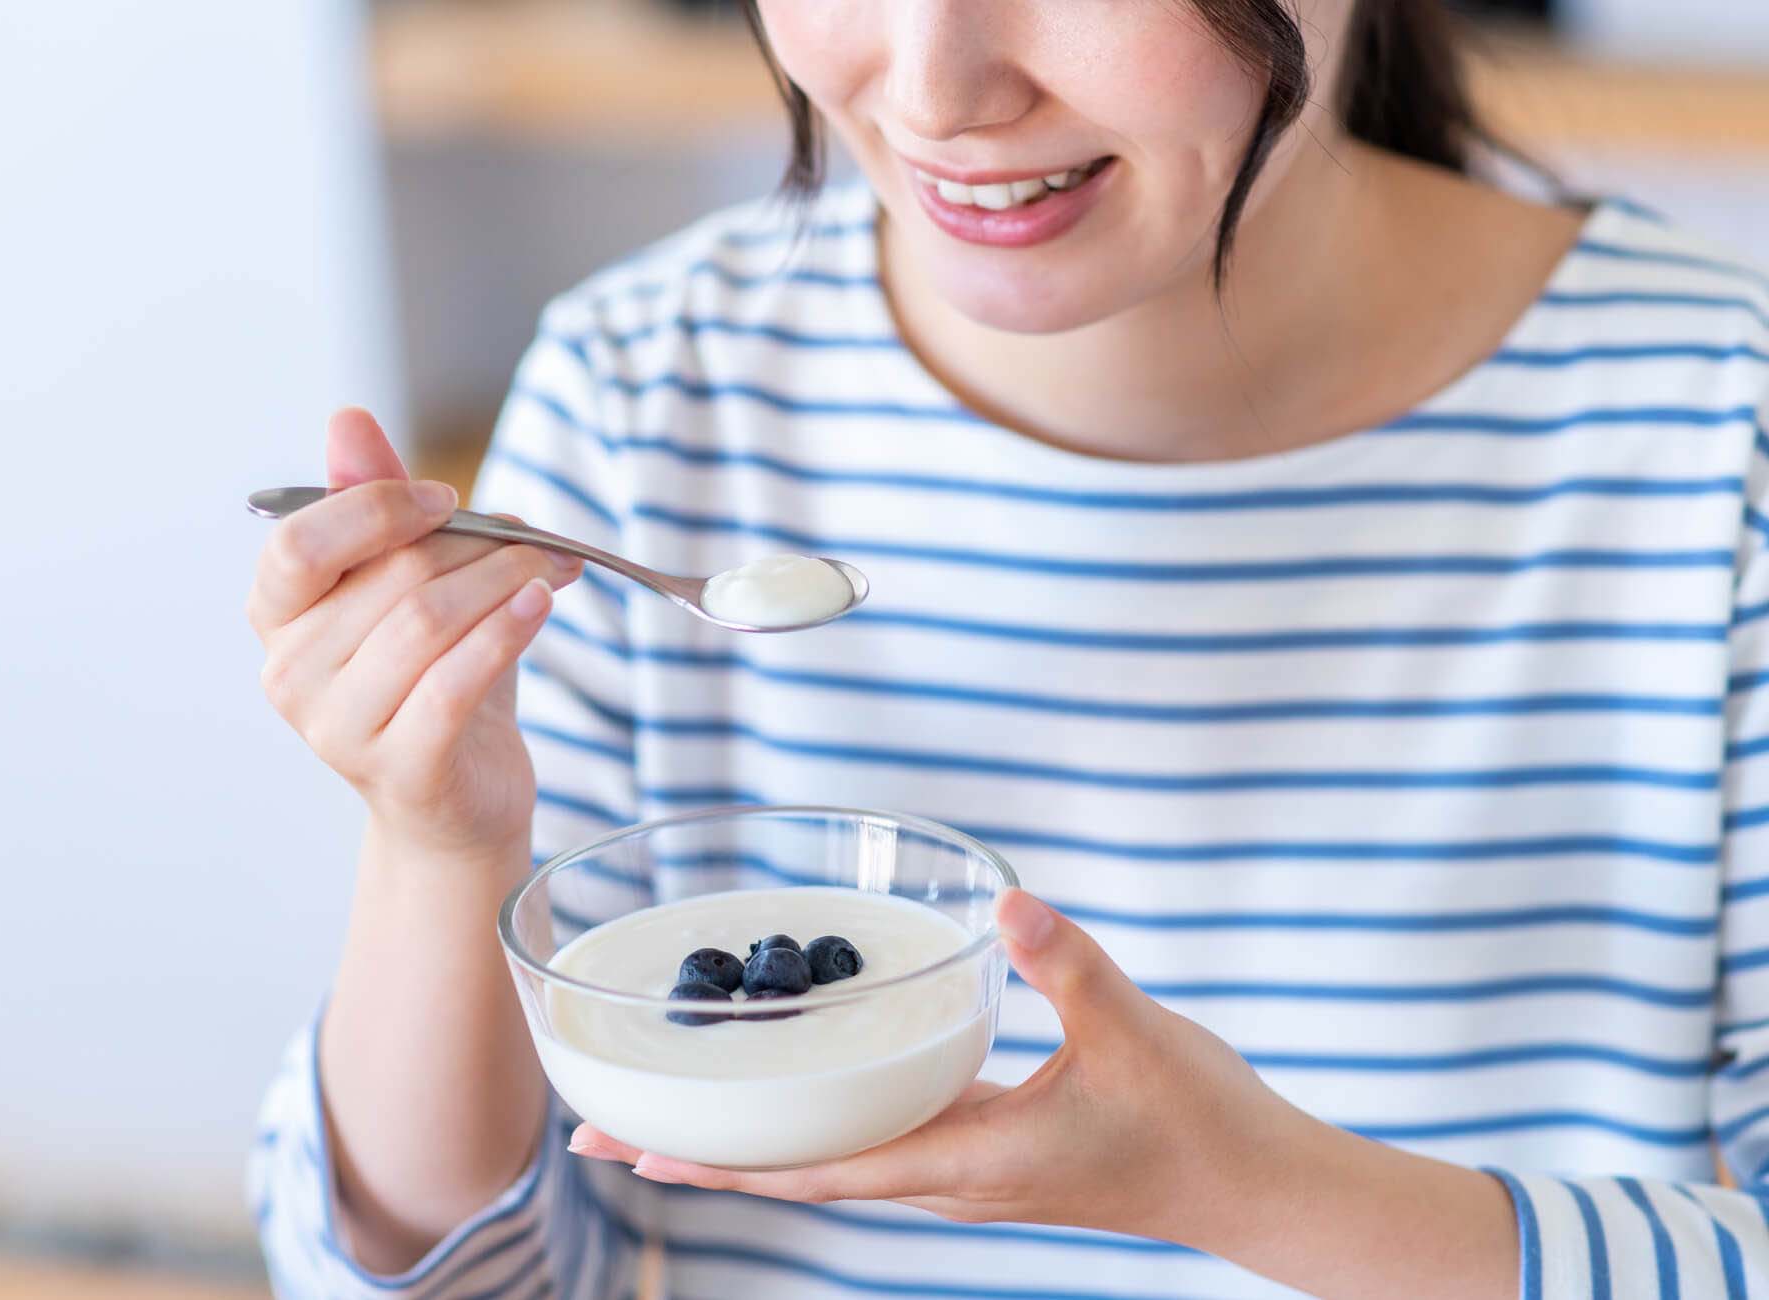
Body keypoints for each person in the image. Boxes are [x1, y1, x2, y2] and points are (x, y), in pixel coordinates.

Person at [243, 0, 1769, 1295]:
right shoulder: (650, 401)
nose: (934, 88)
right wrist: (439, 849)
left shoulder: (1719, 431)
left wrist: (1258, 1191)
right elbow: (445, 1274)